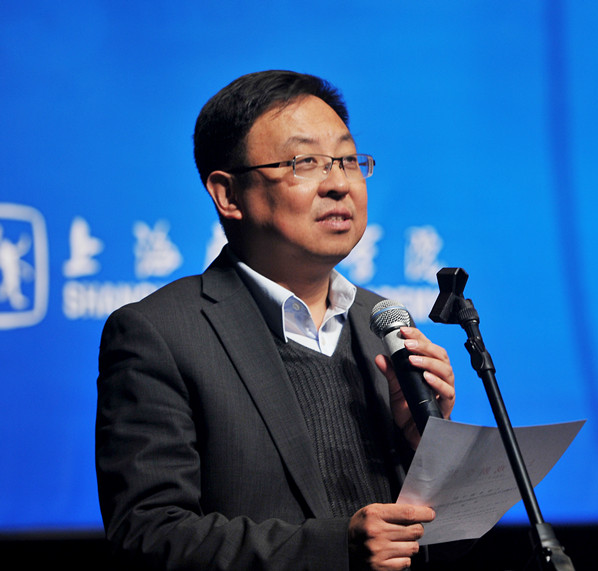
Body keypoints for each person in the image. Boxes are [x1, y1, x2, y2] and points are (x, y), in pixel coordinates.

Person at [95, 70, 456, 571]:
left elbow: (431, 542)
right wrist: (336, 548)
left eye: (347, 160)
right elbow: (148, 535)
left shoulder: (382, 323)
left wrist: (424, 446)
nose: (338, 184)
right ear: (228, 194)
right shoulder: (160, 334)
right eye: (305, 162)